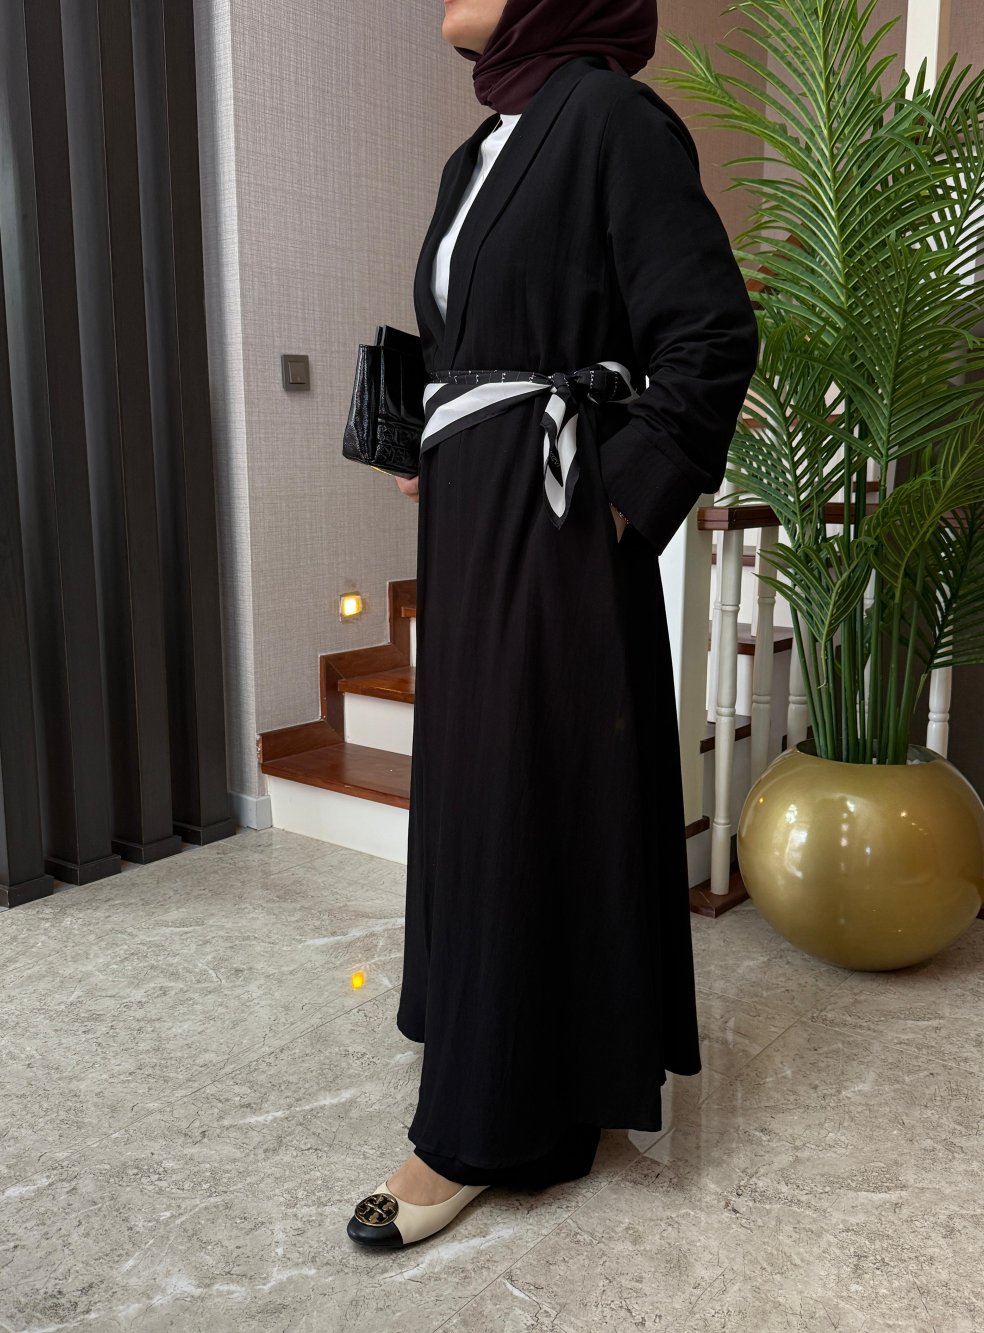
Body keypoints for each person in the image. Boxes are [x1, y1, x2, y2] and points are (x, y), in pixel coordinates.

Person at [347, 0, 760, 1249]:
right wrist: (434, 432)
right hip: (473, 517)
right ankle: (539, 1070)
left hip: (557, 518)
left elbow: (709, 335)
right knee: (487, 789)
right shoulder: (476, 151)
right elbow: (483, 347)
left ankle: (474, 1127)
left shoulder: (610, 117)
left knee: (523, 791)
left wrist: (617, 511)